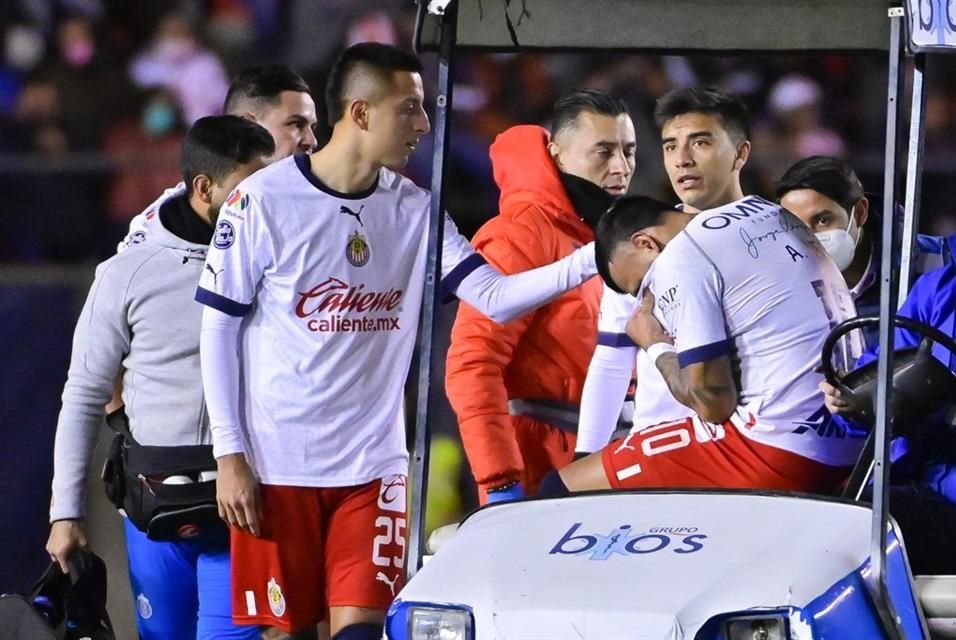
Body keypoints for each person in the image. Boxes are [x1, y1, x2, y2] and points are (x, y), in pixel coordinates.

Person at [194, 43, 599, 639]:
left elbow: (496, 295)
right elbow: (219, 328)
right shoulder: (261, 202)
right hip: (277, 467)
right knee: (288, 633)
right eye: (409, 108)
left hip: (374, 468)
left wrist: (595, 258)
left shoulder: (414, 209)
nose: (425, 124)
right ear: (360, 113)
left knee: (362, 631)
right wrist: (230, 455)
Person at [46, 115, 275, 640]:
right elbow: (82, 394)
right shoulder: (128, 272)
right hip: (154, 506)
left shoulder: (280, 263)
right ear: (204, 188)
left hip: (245, 507)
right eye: (249, 187)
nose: (262, 202)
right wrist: (65, 512)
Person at [546, 194, 862, 497]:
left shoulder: (681, 256)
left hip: (778, 450)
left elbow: (714, 405)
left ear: (646, 244)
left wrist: (655, 345)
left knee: (560, 489)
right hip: (853, 435)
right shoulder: (763, 210)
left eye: (643, 286)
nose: (648, 301)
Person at [444, 89, 636, 504]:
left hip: (611, 459)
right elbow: (474, 363)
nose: (621, 167)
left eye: (629, 151)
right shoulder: (522, 234)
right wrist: (500, 480)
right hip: (543, 467)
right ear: (558, 154)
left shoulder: (609, 232)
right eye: (603, 152)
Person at [576, 87, 754, 452]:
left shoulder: (770, 238)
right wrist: (586, 453)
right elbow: (612, 359)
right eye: (670, 146)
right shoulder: (637, 243)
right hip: (660, 443)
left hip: (744, 442)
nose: (681, 160)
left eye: (700, 143)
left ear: (741, 153)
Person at [820, 233, 956, 574]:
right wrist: (850, 403)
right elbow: (882, 370)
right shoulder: (942, 288)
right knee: (831, 520)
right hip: (929, 484)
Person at [119, 63, 317, 251]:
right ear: (249, 125)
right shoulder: (156, 235)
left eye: (313, 127)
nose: (312, 141)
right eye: (295, 124)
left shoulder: (322, 211)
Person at [776, 155, 948, 350]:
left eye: (823, 220)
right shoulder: (784, 290)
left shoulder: (936, 265)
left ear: (859, 213)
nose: (809, 239)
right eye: (796, 226)